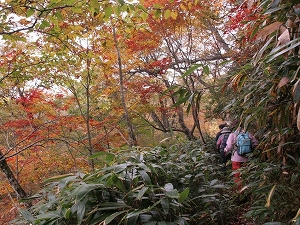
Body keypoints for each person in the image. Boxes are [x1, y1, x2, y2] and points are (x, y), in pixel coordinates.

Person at [224, 126, 258, 191]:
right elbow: (256, 143)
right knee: (246, 175)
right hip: (247, 159)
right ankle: (247, 191)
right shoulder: (248, 134)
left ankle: (239, 192)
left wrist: (225, 150)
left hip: (236, 159)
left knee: (237, 176)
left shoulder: (233, 134)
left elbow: (229, 147)